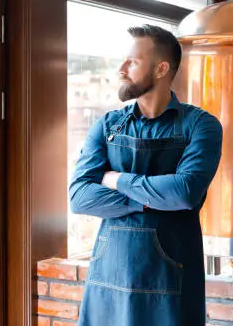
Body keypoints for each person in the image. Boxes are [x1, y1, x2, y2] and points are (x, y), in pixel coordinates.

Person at [69, 24, 223, 326]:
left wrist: (116, 180)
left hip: (171, 281)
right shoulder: (108, 125)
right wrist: (152, 200)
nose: (121, 69)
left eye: (133, 62)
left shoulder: (201, 125)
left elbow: (184, 192)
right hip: (107, 279)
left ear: (161, 68)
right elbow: (80, 198)